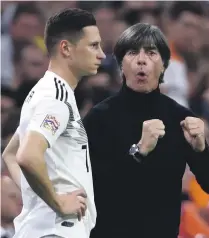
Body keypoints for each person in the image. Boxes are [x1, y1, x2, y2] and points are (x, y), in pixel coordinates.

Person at [83, 23, 209, 238]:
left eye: (151, 53)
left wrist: (201, 150)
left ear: (164, 66)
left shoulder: (180, 118)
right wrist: (139, 151)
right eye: (132, 53)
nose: (142, 60)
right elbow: (93, 188)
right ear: (121, 65)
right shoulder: (100, 117)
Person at [2, 8, 105, 238]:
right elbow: (27, 156)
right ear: (66, 48)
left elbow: (11, 154)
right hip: (55, 231)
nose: (102, 55)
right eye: (93, 46)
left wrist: (36, 194)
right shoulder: (55, 97)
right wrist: (58, 202)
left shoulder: (47, 92)